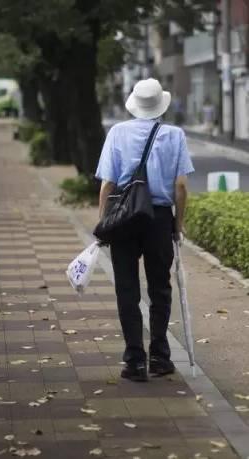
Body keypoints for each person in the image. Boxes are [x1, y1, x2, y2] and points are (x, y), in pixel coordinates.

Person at [95, 78, 194, 382]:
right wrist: (177, 225)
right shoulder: (175, 135)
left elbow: (108, 184)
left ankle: (134, 361)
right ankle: (160, 357)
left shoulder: (117, 133)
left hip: (125, 218)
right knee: (160, 288)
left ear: (134, 104)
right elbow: (180, 186)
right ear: (159, 105)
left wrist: (103, 225)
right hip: (159, 219)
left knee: (127, 288)